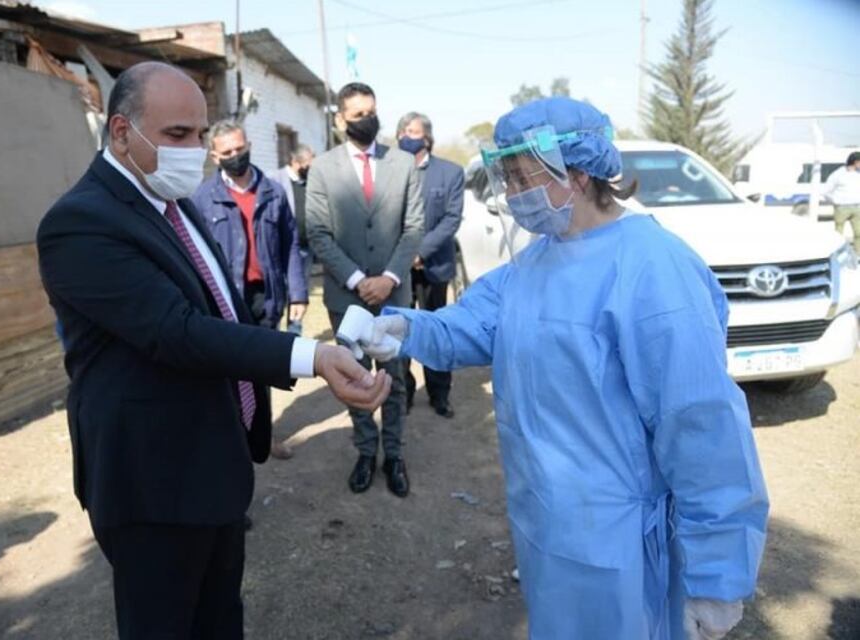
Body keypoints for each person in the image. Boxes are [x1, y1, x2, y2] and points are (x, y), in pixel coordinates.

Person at [357, 97, 769, 639]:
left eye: (522, 178)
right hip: (546, 524)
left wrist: (715, 576)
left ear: (575, 174)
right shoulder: (537, 260)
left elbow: (700, 426)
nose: (511, 194)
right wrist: (408, 329)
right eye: (507, 178)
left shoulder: (652, 269)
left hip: (620, 545)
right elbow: (478, 323)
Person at [36, 62, 390, 640]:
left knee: (220, 618)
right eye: (178, 135)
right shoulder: (80, 223)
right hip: (153, 483)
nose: (196, 150)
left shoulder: (174, 202)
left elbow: (223, 309)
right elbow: (178, 332)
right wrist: (315, 357)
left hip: (212, 465)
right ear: (121, 132)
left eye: (201, 134)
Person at [306, 82, 425, 497]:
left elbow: (413, 228)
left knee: (393, 378)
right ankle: (364, 451)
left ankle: (394, 454)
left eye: (371, 111)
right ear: (340, 119)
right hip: (346, 295)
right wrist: (358, 280)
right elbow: (318, 234)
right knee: (355, 378)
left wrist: (389, 278)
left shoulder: (403, 164)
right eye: (357, 115)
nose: (367, 120)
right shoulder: (322, 169)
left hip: (392, 294)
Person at [192, 120, 307, 460]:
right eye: (226, 152)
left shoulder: (273, 191)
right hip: (225, 301)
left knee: (262, 370)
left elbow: (290, 246)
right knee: (227, 375)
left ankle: (263, 437)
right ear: (214, 155)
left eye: (239, 149)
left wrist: (298, 293)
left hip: (266, 297)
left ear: (249, 145)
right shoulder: (202, 199)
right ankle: (232, 442)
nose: (235, 156)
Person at [395, 111, 464, 418]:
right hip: (398, 270)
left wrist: (420, 251)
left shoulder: (449, 173)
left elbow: (451, 219)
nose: (407, 136)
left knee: (435, 331)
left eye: (413, 131)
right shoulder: (392, 171)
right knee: (401, 330)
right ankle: (404, 391)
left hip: (435, 267)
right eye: (403, 132)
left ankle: (440, 393)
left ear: (427, 138)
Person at [277, 143, 316, 335]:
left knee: (299, 294)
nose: (311, 168)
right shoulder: (274, 180)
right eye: (308, 163)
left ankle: (294, 334)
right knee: (280, 293)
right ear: (295, 162)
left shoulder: (309, 182)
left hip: (306, 249)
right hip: (282, 251)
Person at [823, 151, 860, 251]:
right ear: (855, 162)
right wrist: (835, 201)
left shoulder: (858, 174)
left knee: (858, 233)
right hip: (842, 208)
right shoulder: (838, 174)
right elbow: (826, 191)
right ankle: (837, 255)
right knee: (838, 234)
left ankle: (858, 256)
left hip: (857, 207)